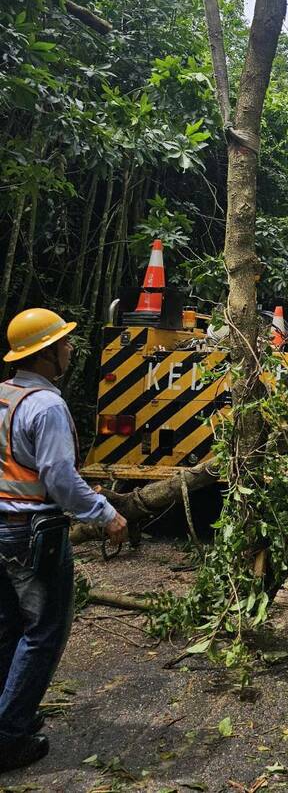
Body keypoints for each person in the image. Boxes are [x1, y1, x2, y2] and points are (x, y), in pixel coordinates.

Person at [0, 308, 127, 773]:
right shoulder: (47, 406)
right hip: (34, 534)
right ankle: (10, 737)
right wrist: (105, 513)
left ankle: (7, 713)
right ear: (47, 353)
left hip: (2, 528)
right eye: (65, 343)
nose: (71, 348)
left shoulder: (4, 397)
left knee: (9, 627)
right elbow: (58, 477)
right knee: (44, 632)